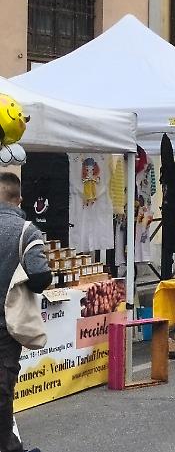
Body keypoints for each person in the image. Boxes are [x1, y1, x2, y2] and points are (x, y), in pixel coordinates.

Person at [0, 173, 51, 452]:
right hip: (6, 329)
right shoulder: (27, 231)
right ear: (19, 199)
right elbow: (40, 276)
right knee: (3, 392)